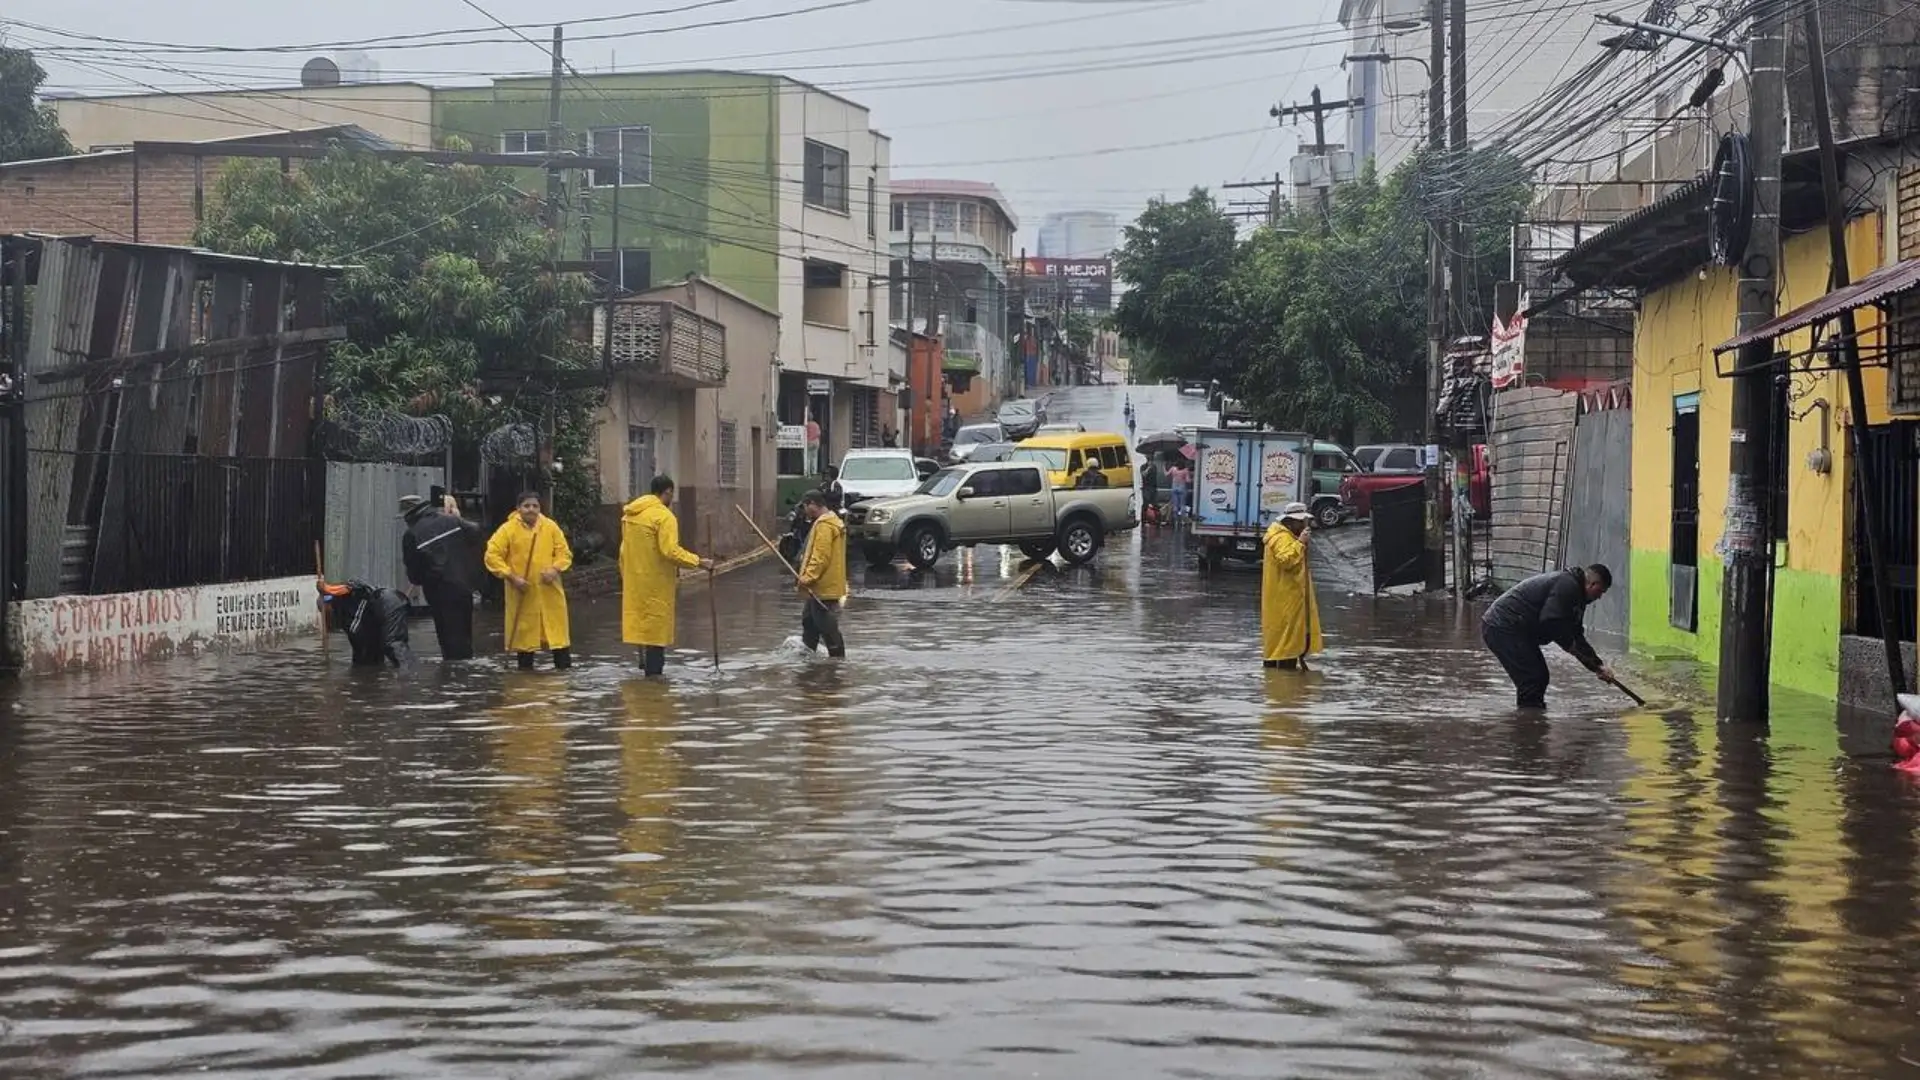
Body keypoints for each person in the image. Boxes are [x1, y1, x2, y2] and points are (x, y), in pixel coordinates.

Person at [1480, 564, 1616, 709]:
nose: (1600, 597)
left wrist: (1597, 666)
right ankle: (1530, 718)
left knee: (1537, 677)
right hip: (1502, 626)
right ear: (1592, 584)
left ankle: (1530, 715)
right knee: (1533, 677)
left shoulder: (1577, 595)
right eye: (1600, 591)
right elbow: (1551, 621)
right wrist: (1569, 644)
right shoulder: (1568, 586)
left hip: (1515, 629)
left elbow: (1576, 634)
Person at [620, 475, 714, 677]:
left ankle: (646, 686)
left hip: (635, 585)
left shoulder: (631, 516)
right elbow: (670, 551)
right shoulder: (664, 517)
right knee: (656, 638)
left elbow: (623, 552)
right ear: (668, 492)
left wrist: (626, 577)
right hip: (656, 585)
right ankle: (655, 687)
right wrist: (700, 562)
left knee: (642, 631)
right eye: (672, 493)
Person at [484, 491, 574, 671]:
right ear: (518, 508)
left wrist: (554, 569)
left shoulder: (550, 527)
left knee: (559, 639)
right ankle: (525, 680)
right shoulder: (507, 529)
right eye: (526, 506)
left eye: (535, 506)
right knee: (525, 641)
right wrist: (512, 577)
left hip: (549, 592)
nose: (531, 509)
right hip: (522, 592)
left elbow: (564, 553)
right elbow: (492, 555)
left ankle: (563, 677)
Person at [400, 492, 484, 661]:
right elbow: (476, 531)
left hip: (440, 594)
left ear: (408, 516)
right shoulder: (452, 521)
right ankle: (466, 670)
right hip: (464, 587)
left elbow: (415, 577)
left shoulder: (411, 535)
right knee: (464, 637)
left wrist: (427, 574)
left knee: (449, 641)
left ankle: (453, 673)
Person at [1261, 502, 1323, 670]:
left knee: (1283, 645)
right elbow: (1286, 560)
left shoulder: (1286, 536)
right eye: (1301, 522)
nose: (1304, 525)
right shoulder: (1281, 538)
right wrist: (1300, 543)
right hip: (1285, 600)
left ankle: (1279, 679)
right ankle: (1284, 680)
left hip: (1288, 599)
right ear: (1290, 522)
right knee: (1286, 647)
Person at [794, 489, 848, 658]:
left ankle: (837, 661)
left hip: (823, 588)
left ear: (812, 504)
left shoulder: (825, 526)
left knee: (826, 625)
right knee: (809, 622)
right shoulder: (830, 522)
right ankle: (808, 658)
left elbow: (820, 556)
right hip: (820, 587)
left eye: (805, 506)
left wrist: (807, 578)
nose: (804, 511)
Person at [317, 579, 413, 667]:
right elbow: (359, 646)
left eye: (325, 610)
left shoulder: (351, 593)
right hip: (379, 616)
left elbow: (355, 586)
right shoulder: (345, 617)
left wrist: (326, 588)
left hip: (388, 604)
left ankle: (411, 673)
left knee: (392, 643)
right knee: (368, 658)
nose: (326, 615)